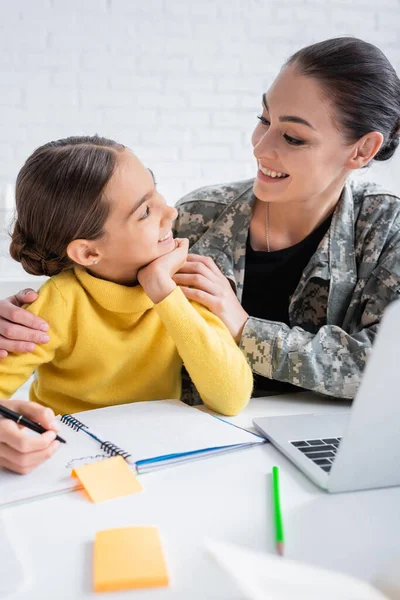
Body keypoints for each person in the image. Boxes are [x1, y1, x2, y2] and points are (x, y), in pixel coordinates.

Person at [0, 36, 400, 400]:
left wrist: (245, 327)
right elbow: (97, 289)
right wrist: (22, 320)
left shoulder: (386, 231)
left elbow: (386, 370)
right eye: (264, 119)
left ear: (362, 150)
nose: (260, 147)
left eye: (293, 137)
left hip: (328, 440)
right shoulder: (194, 218)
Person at [0, 135, 253, 474]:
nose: (172, 211)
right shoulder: (59, 302)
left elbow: (231, 397)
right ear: (89, 252)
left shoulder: (182, 284)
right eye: (145, 211)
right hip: (71, 461)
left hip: (161, 456)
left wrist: (164, 292)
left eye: (155, 190)